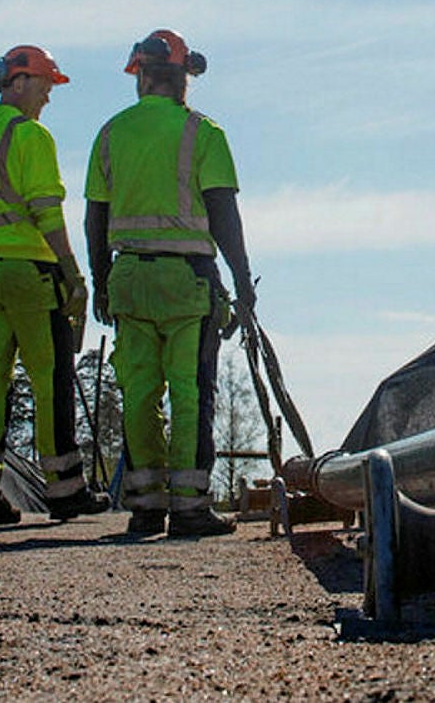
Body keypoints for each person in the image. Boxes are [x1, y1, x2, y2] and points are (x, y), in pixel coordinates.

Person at [86, 28, 256, 538]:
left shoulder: (110, 133)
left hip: (129, 278)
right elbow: (224, 214)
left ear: (140, 76)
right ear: (184, 79)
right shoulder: (203, 133)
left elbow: (95, 218)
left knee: (139, 391)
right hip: (188, 282)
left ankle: (145, 507)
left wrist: (101, 281)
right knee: (191, 392)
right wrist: (243, 283)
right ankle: (189, 507)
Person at [0, 44, 111, 526]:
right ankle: (65, 490)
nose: (48, 96)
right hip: (29, 273)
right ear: (18, 82)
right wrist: (72, 272)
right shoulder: (29, 134)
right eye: (44, 85)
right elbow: (46, 209)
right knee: (52, 378)